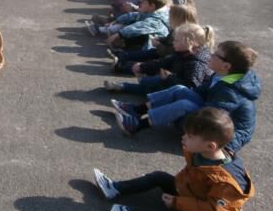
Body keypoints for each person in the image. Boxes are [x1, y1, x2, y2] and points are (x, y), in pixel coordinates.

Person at [94, 108, 254, 211]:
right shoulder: (200, 151)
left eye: (189, 136)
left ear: (210, 146)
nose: (183, 138)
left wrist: (177, 202)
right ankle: (115, 188)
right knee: (159, 176)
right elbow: (190, 173)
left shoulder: (226, 183)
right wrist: (177, 191)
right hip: (190, 193)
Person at [112, 41, 261, 152]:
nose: (211, 55)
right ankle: (137, 110)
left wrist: (179, 107)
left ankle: (138, 125)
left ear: (226, 66)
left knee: (184, 105)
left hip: (223, 137)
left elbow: (212, 117)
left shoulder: (230, 91)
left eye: (216, 54)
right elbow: (200, 91)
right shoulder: (224, 75)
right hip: (213, 116)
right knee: (180, 90)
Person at [104, 23, 214, 94]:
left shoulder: (196, 63)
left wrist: (169, 78)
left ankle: (123, 86)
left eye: (176, 40)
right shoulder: (184, 52)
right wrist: (143, 67)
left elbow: (191, 87)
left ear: (190, 44)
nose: (173, 42)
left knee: (155, 88)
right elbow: (165, 62)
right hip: (175, 79)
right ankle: (136, 80)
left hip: (184, 92)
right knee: (149, 81)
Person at [109, 4, 199, 73]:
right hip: (166, 54)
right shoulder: (177, 29)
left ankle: (122, 66)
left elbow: (171, 52)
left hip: (172, 60)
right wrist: (159, 39)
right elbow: (168, 39)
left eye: (171, 17)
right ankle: (123, 55)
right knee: (149, 53)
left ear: (178, 19)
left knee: (152, 64)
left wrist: (158, 45)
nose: (169, 19)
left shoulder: (184, 35)